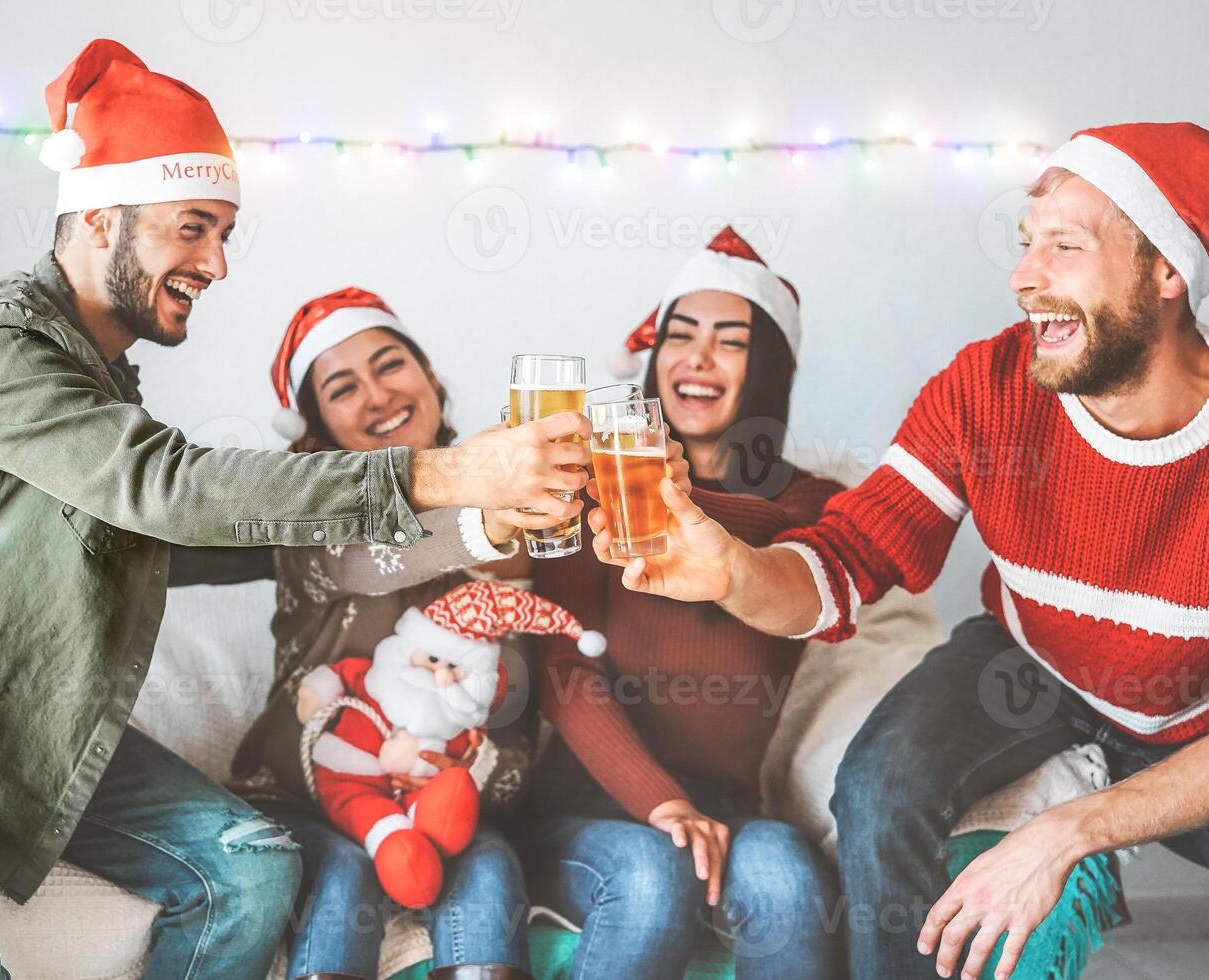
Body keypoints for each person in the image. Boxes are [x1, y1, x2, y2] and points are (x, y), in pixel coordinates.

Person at [0, 43, 589, 980]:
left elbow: (211, 539)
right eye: (193, 228)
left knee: (250, 864)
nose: (217, 262)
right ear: (102, 214)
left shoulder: (100, 385)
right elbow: (171, 490)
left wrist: (476, 525)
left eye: (223, 232)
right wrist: (444, 472)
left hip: (13, 731)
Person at [585, 124, 1209, 980]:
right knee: (878, 788)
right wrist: (733, 572)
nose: (1023, 278)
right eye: (1026, 245)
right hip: (1029, 659)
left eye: (1064, 246)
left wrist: (1069, 827)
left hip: (1192, 714)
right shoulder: (985, 386)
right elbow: (847, 555)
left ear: (1167, 271)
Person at [204, 287, 578, 980]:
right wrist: (488, 516)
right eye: (343, 387)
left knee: (490, 870)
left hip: (441, 809)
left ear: (430, 379)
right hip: (306, 796)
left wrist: (457, 778)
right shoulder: (307, 513)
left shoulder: (523, 521)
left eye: (390, 365)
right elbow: (372, 557)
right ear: (316, 434)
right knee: (343, 875)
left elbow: (515, 729)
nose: (377, 395)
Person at [520, 227, 848, 979]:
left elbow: (793, 552)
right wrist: (661, 803)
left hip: (727, 804)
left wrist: (687, 503)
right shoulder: (595, 488)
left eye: (729, 342)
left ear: (766, 369)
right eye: (680, 335)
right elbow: (564, 667)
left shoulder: (813, 510)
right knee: (650, 876)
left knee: (789, 877)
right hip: (588, 803)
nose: (697, 358)